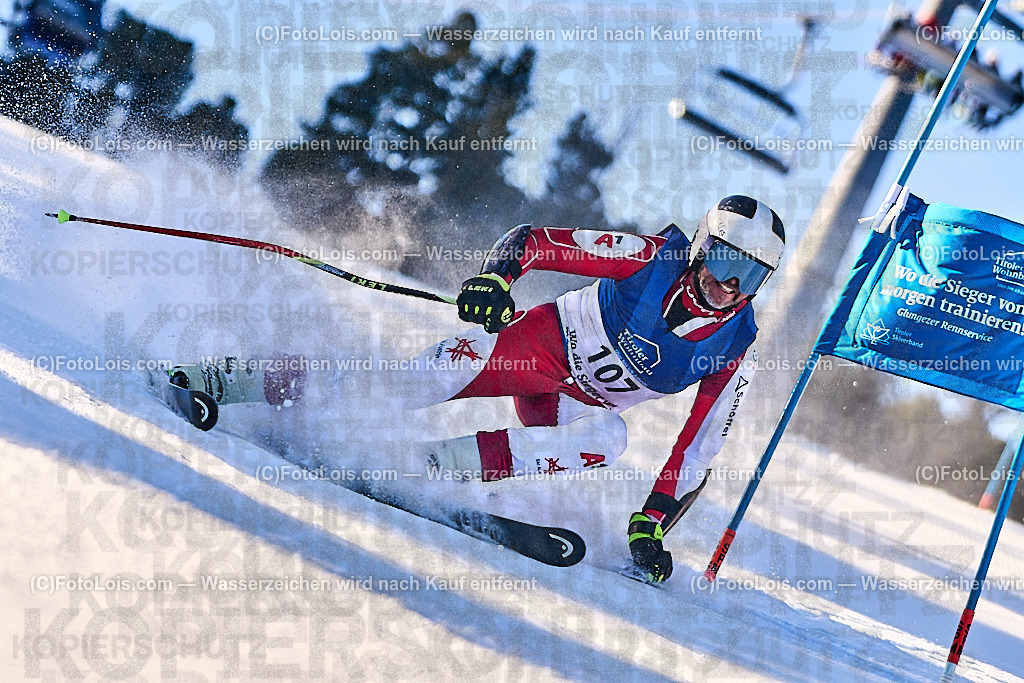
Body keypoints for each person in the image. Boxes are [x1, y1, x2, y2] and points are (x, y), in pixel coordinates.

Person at [170, 195, 785, 584]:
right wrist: (496, 279)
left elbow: (696, 450)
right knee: (406, 382)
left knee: (613, 438)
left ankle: (427, 468)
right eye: (726, 263)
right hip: (537, 350)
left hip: (575, 403)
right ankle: (229, 379)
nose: (730, 286)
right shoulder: (650, 256)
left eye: (751, 276)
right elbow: (533, 240)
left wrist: (651, 523)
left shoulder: (733, 344)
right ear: (702, 249)